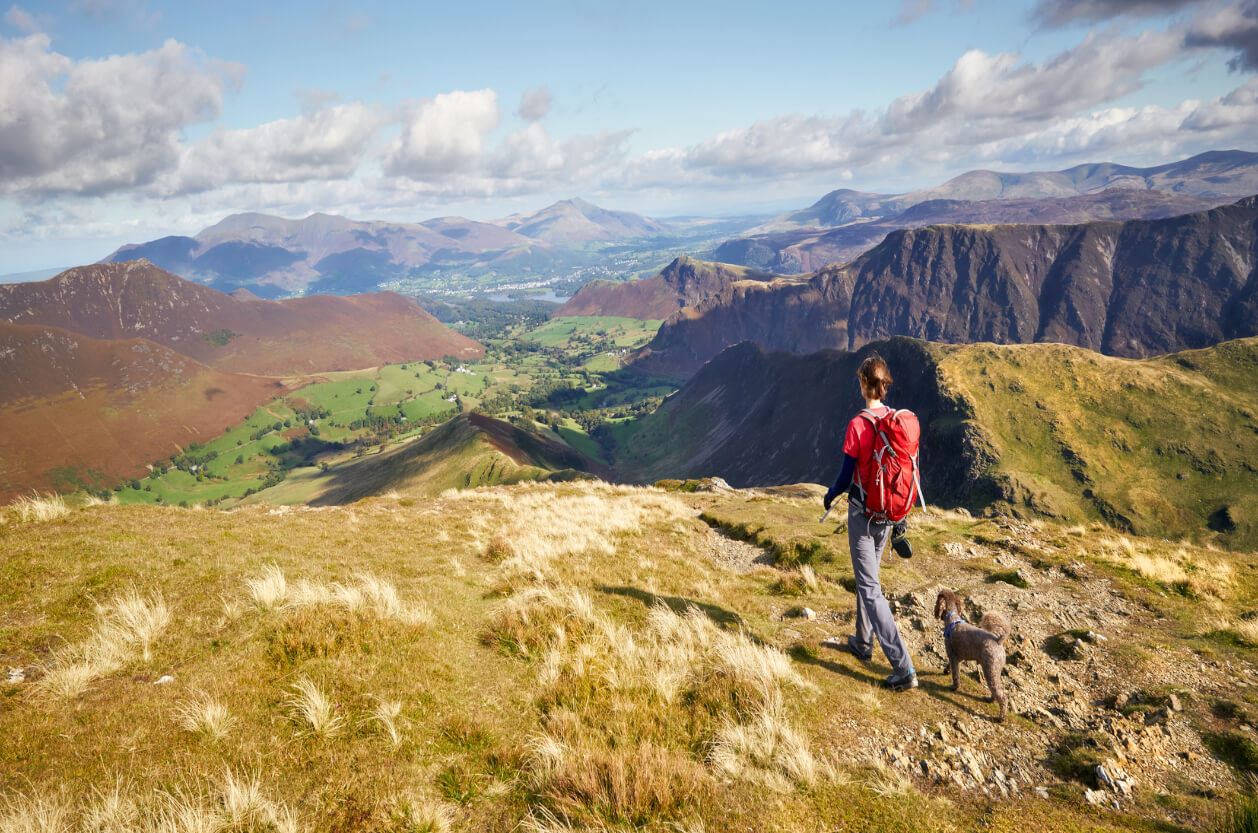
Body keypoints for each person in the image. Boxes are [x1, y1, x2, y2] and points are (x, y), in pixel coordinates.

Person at [823, 353, 917, 691]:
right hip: (889, 516)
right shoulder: (896, 422)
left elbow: (846, 476)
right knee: (870, 581)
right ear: (884, 385)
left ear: (864, 383)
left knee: (869, 588)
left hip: (863, 515)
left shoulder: (858, 425)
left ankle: (903, 667)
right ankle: (863, 643)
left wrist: (830, 494)